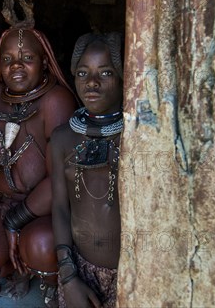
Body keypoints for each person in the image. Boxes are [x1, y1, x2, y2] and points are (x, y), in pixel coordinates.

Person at [0, 0, 77, 307]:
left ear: (45, 62)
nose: (16, 67)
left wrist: (16, 220)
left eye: (27, 59)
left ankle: (47, 279)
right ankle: (14, 266)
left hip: (45, 209)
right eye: (7, 59)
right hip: (3, 202)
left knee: (39, 243)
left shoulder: (55, 101)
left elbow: (61, 180)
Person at [50, 32, 124, 308]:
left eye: (105, 72)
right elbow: (59, 207)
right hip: (80, 271)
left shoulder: (138, 136)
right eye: (83, 73)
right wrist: (69, 277)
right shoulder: (62, 139)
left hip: (132, 271)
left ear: (122, 77)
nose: (91, 82)